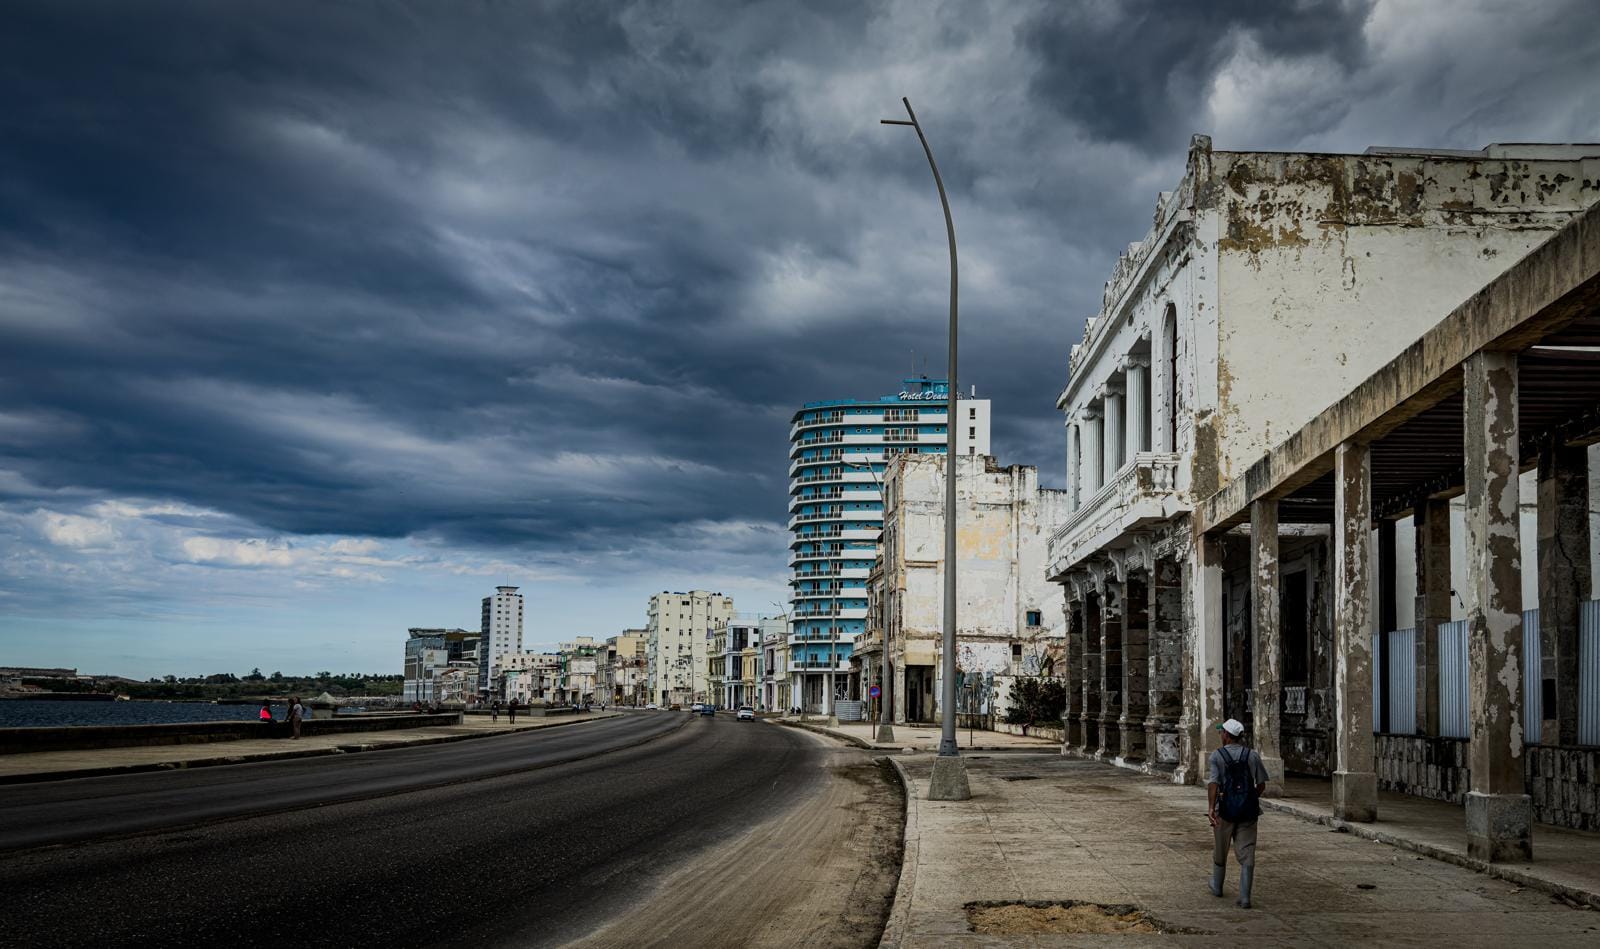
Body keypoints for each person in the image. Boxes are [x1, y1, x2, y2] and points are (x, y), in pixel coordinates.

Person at [1207, 718, 1268, 908]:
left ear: (1226, 735)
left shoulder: (1217, 756)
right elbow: (1261, 784)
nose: (1220, 735)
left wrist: (1211, 808)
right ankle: (1245, 896)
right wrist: (1248, 798)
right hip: (1248, 812)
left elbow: (1214, 784)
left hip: (1223, 810)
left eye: (1221, 732)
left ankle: (1217, 885)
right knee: (1247, 850)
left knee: (1220, 847)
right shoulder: (1252, 756)